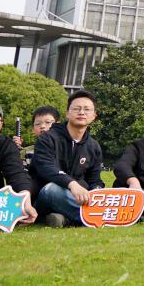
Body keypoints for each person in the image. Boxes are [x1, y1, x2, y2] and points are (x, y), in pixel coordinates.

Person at [33, 91, 105, 228]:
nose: (81, 112)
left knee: (98, 194)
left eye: (87, 109)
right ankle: (101, 218)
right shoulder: (47, 138)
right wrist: (72, 184)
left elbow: (94, 179)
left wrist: (96, 192)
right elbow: (46, 168)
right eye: (76, 108)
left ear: (94, 116)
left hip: (76, 198)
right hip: (46, 194)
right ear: (67, 113)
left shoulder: (93, 146)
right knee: (52, 189)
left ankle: (67, 220)